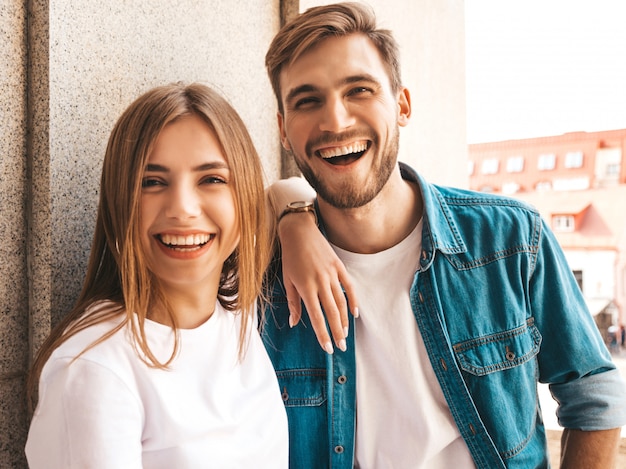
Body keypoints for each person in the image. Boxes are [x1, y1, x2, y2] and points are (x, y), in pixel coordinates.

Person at [261, 3, 626, 468]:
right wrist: (290, 215)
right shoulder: (264, 280)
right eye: (307, 100)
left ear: (402, 105)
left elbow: (594, 395)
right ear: (283, 130)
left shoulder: (511, 238)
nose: (335, 121)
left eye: (359, 90)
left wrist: (289, 211)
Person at [25, 83, 288, 468]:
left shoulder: (232, 309)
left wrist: (297, 216)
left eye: (211, 179)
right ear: (120, 201)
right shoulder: (96, 371)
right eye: (152, 182)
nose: (182, 209)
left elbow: (278, 195)